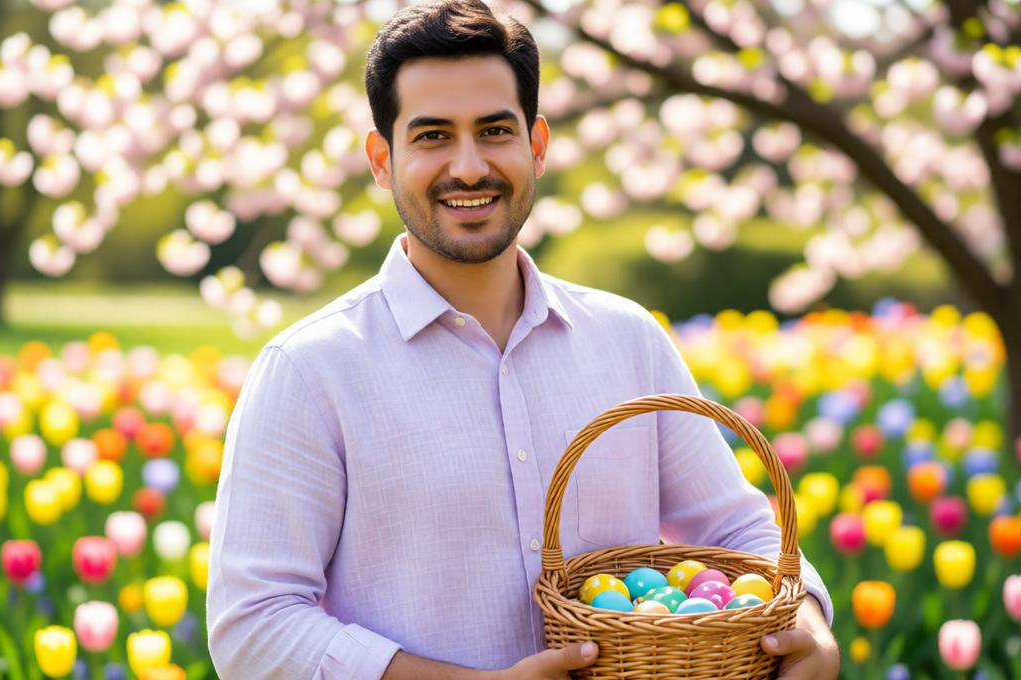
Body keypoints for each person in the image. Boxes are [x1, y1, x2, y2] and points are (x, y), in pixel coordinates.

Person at [206, 1, 841, 678]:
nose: (470, 166)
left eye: (494, 131)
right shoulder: (310, 371)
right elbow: (254, 627)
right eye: (432, 137)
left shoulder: (628, 341)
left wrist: (811, 632)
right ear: (382, 159)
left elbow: (741, 535)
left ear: (535, 146)